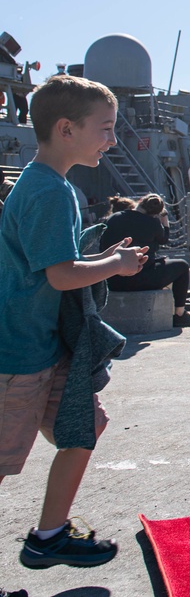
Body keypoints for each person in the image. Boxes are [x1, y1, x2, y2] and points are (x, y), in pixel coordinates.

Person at [0, 74, 148, 573]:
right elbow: (62, 275)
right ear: (67, 129)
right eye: (105, 129)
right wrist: (115, 266)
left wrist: (101, 256)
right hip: (17, 356)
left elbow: (54, 262)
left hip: (43, 347)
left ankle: (49, 536)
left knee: (86, 424)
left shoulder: (46, 183)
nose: (111, 140)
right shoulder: (49, 191)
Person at [100, 193, 190, 328]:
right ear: (156, 213)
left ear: (140, 201)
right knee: (181, 266)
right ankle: (180, 314)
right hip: (141, 280)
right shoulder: (153, 223)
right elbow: (163, 239)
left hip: (111, 280)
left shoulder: (113, 218)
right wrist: (165, 223)